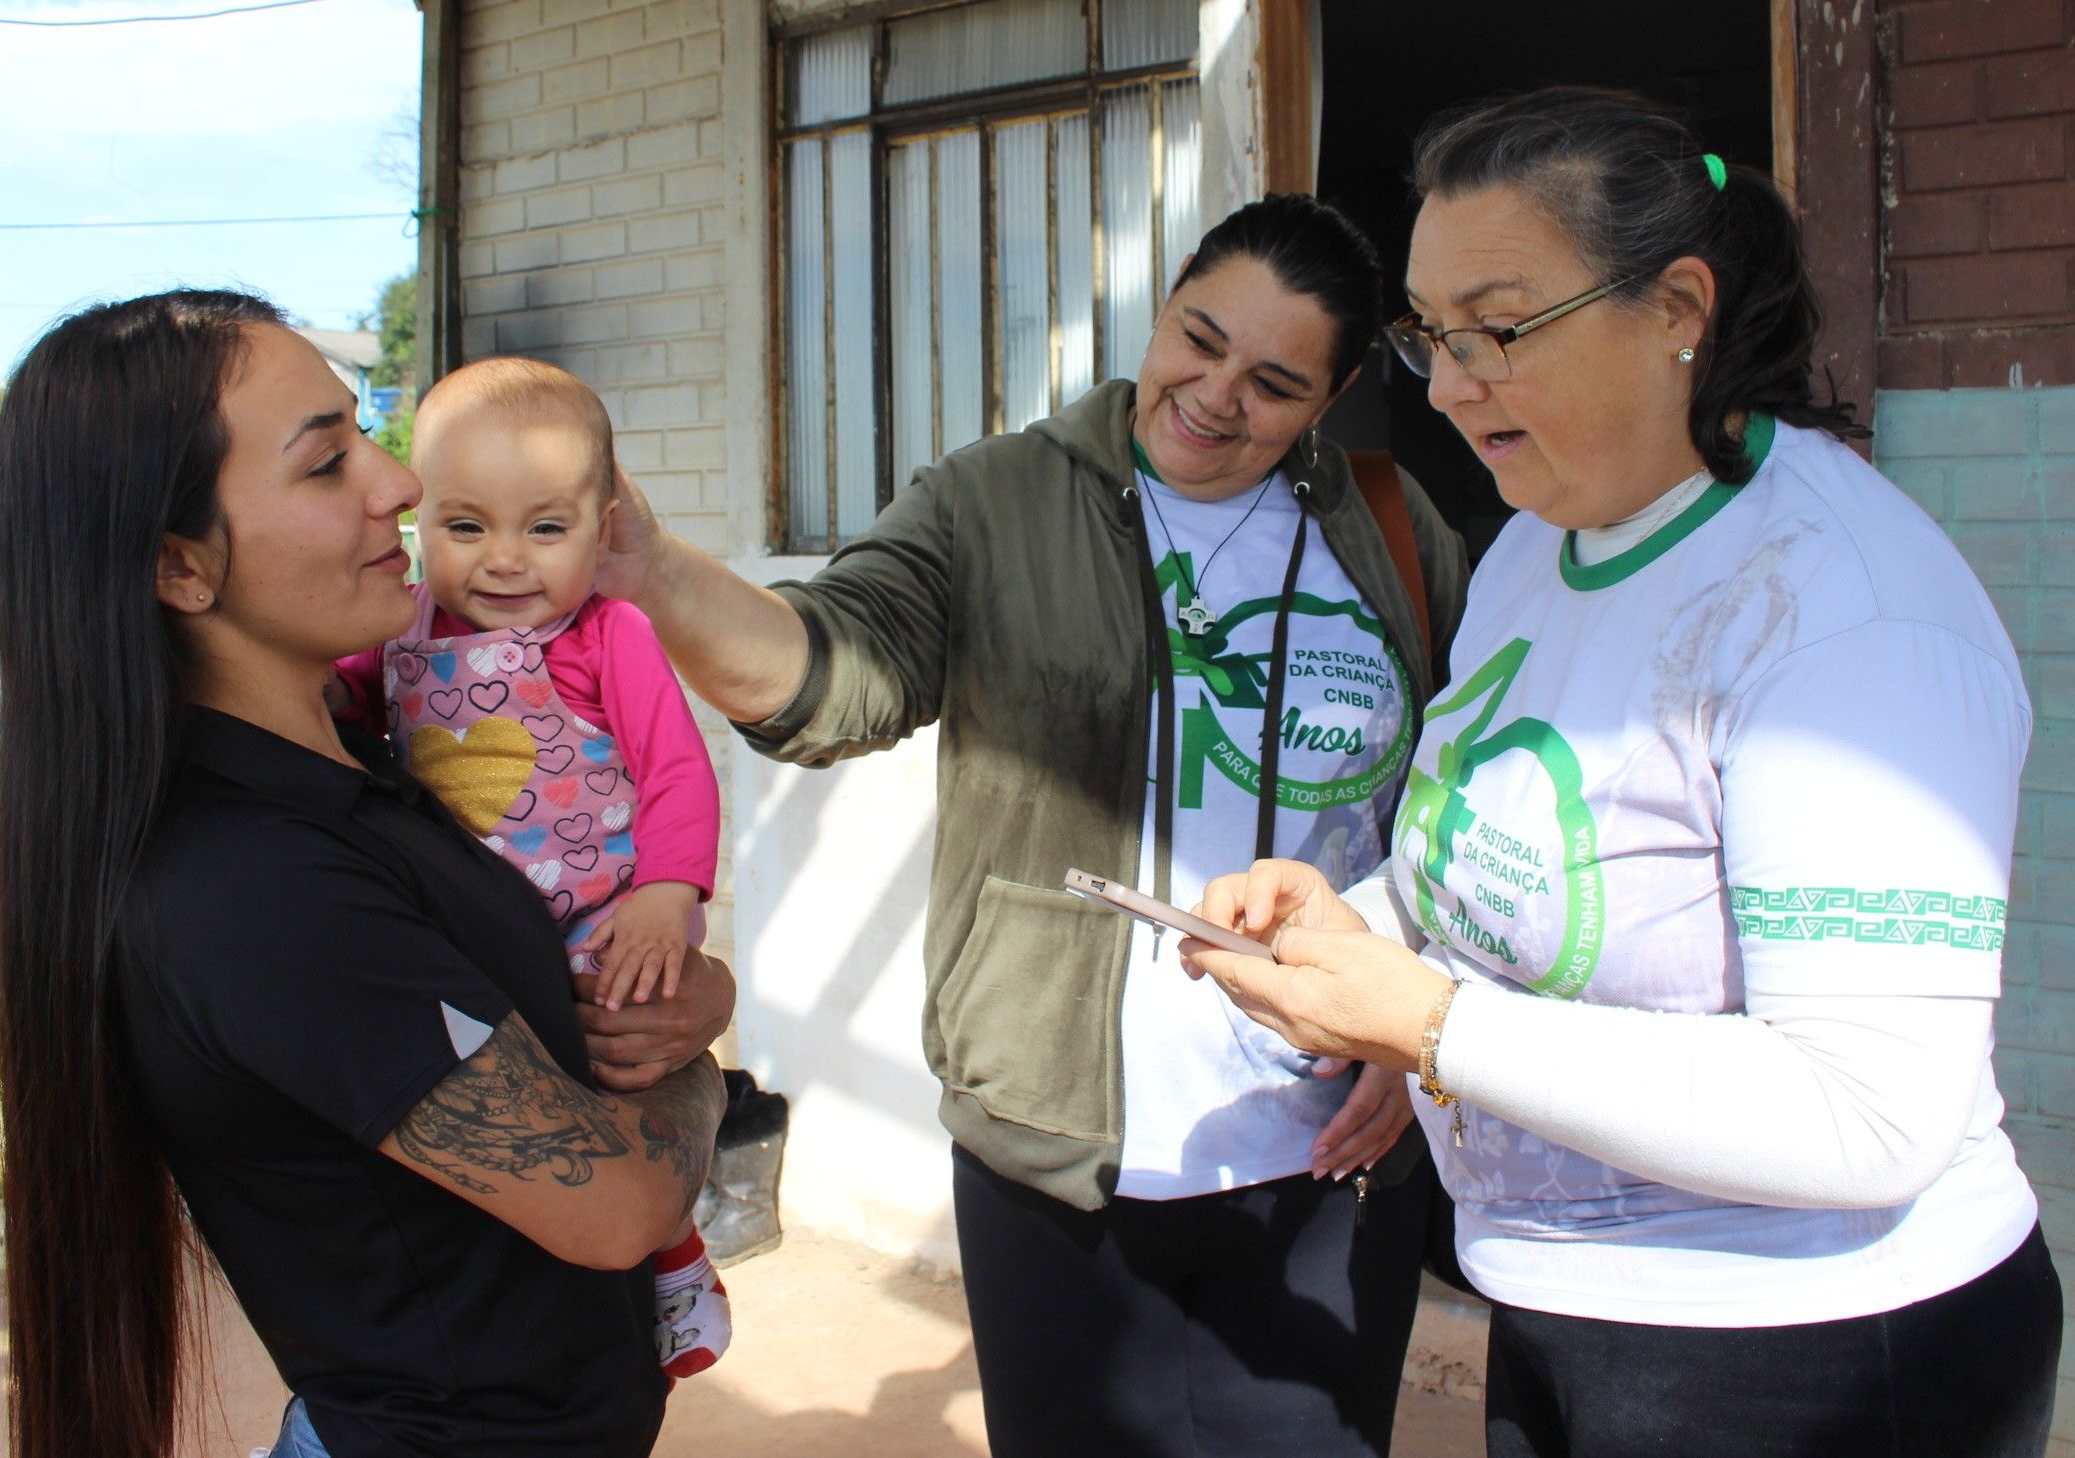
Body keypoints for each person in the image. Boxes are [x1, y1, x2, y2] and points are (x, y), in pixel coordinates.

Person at [1185, 89, 2063, 1458]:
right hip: (1558, 1297)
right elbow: (1499, 846)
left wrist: (1429, 1025)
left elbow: (1873, 1112)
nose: (1455, 384)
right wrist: (1360, 919)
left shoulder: (1844, 612)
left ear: (1678, 309)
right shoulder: (1541, 537)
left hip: (1809, 1349)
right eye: (1429, 336)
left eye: (1502, 326)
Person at [596, 194, 1470, 1456]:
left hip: (1330, 1156)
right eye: (1198, 336)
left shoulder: (1388, 527)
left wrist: (1411, 1024)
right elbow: (838, 671)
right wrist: (662, 575)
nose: (1216, 395)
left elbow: (1456, 788)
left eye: (1274, 382)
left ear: (1327, 404)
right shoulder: (997, 499)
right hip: (1057, 1153)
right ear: (1162, 307)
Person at [0, 290, 732, 1458]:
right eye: (329, 461)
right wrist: (697, 1064)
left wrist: (688, 983)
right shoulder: (252, 886)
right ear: (180, 567)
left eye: (367, 430)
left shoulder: (367, 752)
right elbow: (617, 1205)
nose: (397, 484)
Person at [330, 357, 732, 1384]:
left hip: (608, 920)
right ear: (421, 524)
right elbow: (338, 706)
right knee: (520, 1121)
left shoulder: (611, 634)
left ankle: (677, 1259)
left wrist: (667, 896)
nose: (505, 562)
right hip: (479, 931)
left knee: (622, 1076)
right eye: (466, 528)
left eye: (545, 529)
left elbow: (678, 770)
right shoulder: (403, 632)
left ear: (602, 532)